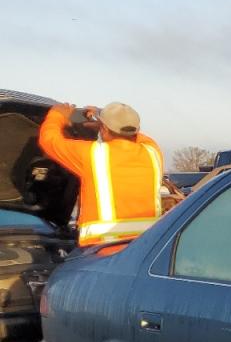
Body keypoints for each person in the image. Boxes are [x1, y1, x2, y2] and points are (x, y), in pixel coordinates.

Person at [38, 101, 166, 246]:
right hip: (145, 247)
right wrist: (107, 121)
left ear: (103, 128)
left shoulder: (93, 155)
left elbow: (49, 140)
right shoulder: (153, 152)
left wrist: (56, 116)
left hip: (102, 249)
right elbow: (137, 135)